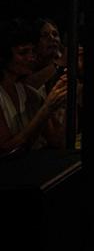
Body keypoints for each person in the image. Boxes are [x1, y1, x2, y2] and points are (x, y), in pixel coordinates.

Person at [0, 20, 68, 154]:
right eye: (23, 52)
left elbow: (58, 140)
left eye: (32, 51)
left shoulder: (29, 94)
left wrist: (66, 95)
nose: (31, 57)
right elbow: (6, 150)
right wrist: (46, 108)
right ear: (4, 56)